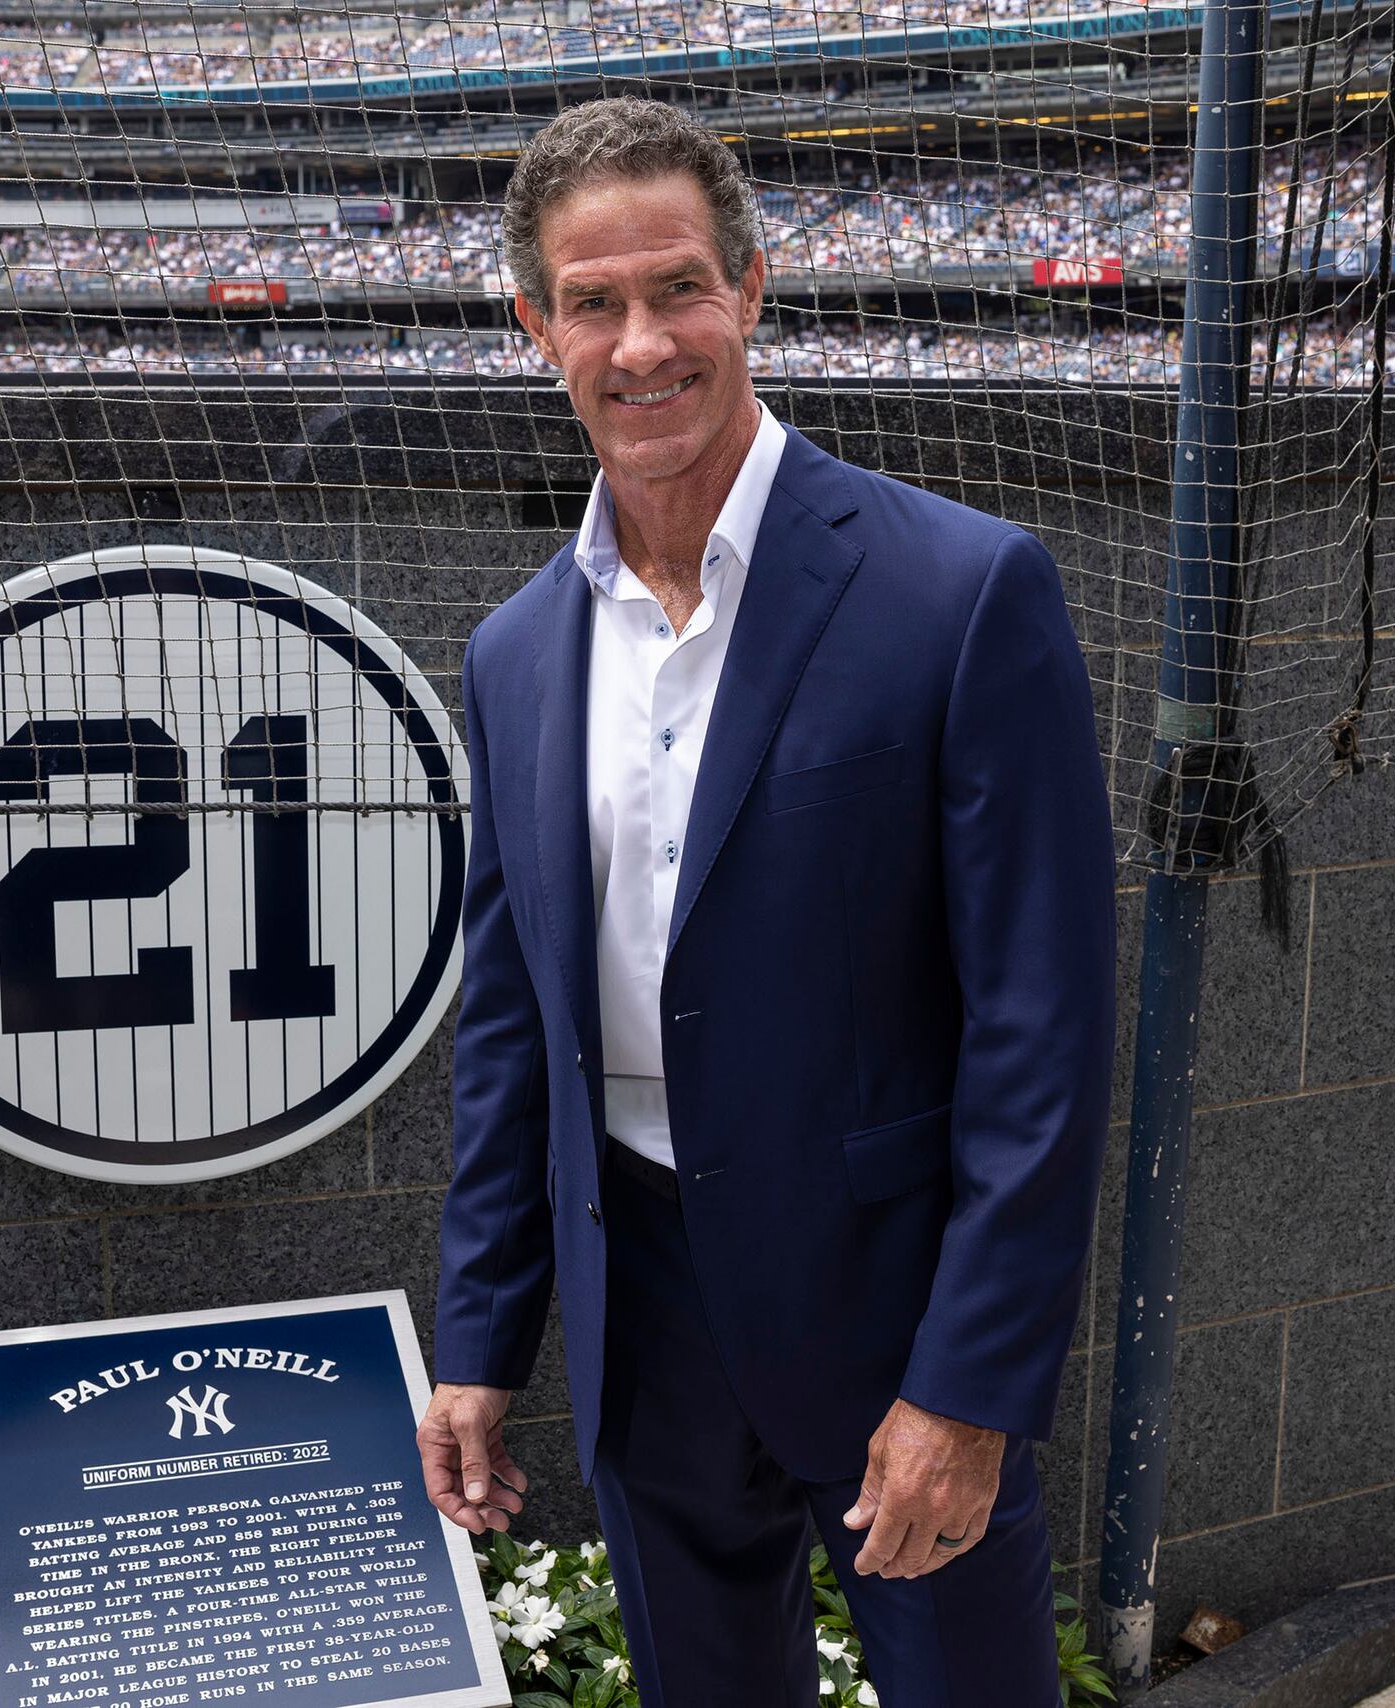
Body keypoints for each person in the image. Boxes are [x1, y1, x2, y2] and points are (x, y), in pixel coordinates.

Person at [418, 97, 1116, 1706]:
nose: (641, 343)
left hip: (895, 1320)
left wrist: (970, 1385)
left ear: (752, 289)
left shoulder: (959, 591)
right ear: (539, 327)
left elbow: (1043, 1030)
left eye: (677, 290)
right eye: (592, 303)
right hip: (641, 1320)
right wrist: (480, 1337)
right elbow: (515, 1022)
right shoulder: (517, 654)